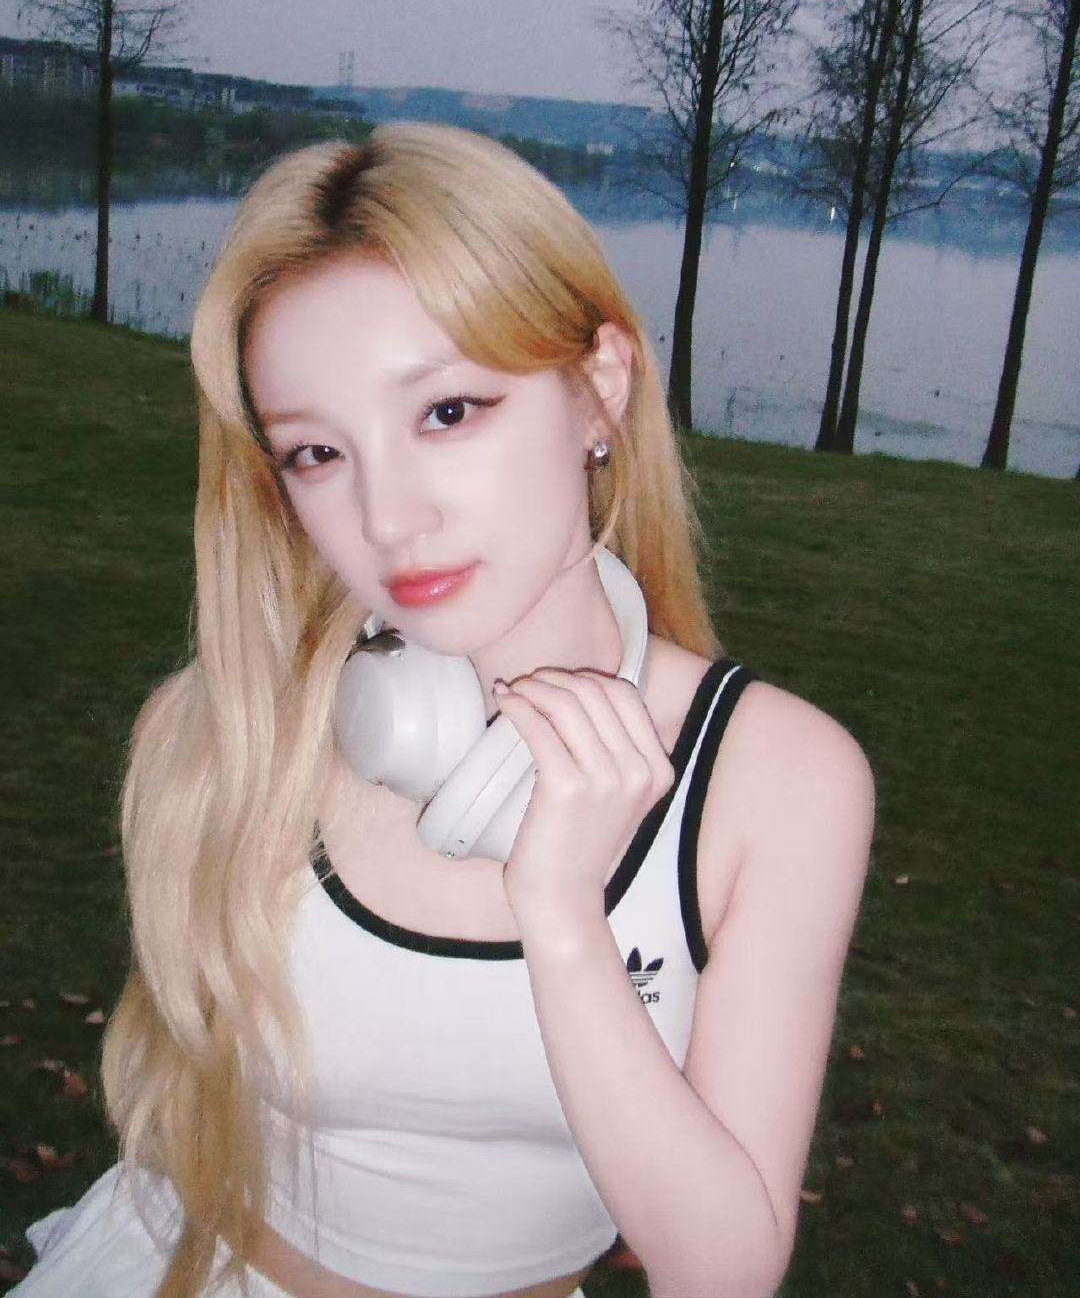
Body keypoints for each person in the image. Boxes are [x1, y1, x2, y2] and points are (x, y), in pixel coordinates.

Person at [13, 123, 875, 1298]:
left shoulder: (779, 783)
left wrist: (563, 917)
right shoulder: (228, 733)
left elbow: (719, 1273)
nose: (389, 517)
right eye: (318, 453)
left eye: (450, 413)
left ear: (598, 391)